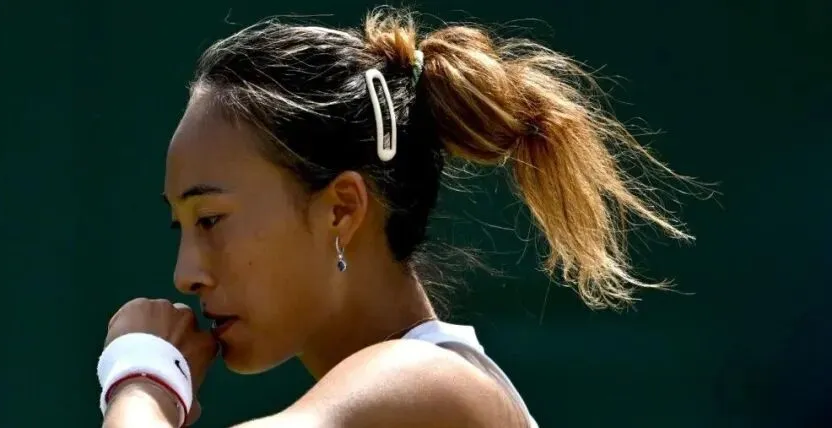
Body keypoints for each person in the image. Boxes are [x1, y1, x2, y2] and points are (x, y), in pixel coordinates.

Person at [96, 8, 693, 428]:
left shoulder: (424, 383)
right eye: (181, 226)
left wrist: (143, 375)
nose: (186, 275)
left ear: (342, 208)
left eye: (210, 220)